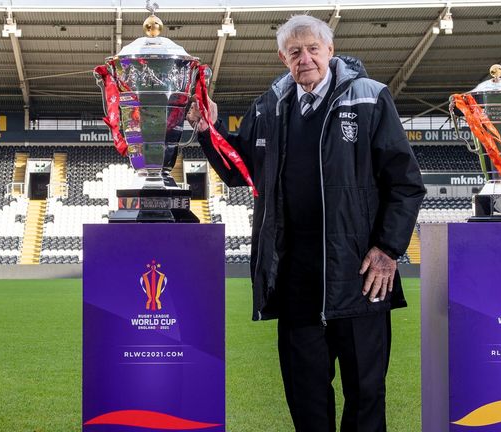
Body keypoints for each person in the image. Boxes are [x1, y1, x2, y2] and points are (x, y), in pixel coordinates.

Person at [187, 14, 425, 432]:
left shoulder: (370, 98)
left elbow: (405, 184)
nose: (305, 58)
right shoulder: (269, 107)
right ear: (283, 57)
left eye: (313, 48)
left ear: (330, 51)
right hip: (295, 279)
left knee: (366, 394)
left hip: (360, 277)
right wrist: (208, 130)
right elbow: (240, 170)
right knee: (306, 398)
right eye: (295, 52)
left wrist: (387, 250)